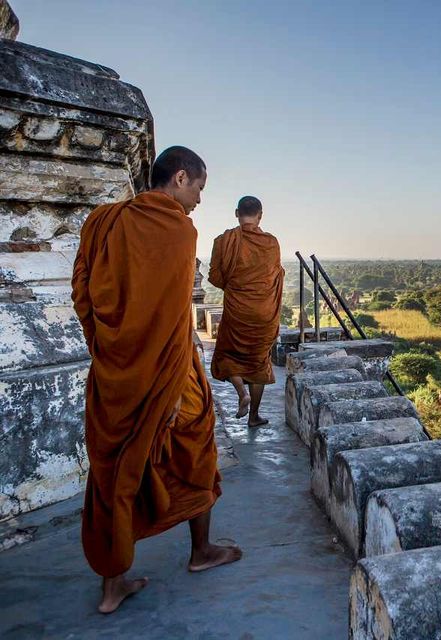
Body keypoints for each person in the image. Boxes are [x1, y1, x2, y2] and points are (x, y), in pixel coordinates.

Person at [72, 146, 241, 614]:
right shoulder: (176, 228)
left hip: (114, 370)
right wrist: (164, 382)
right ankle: (202, 552)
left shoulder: (100, 222)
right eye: (200, 189)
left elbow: (83, 294)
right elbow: (170, 314)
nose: (200, 201)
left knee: (112, 469)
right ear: (181, 177)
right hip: (168, 370)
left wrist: (110, 351)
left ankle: (113, 585)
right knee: (197, 447)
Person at [209, 196, 284, 427]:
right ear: (260, 215)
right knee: (258, 362)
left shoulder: (223, 241)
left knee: (228, 354)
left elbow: (215, 276)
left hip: (237, 310)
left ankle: (242, 392)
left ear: (236, 213)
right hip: (264, 314)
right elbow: (276, 276)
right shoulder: (271, 243)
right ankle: (254, 417)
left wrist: (236, 288)